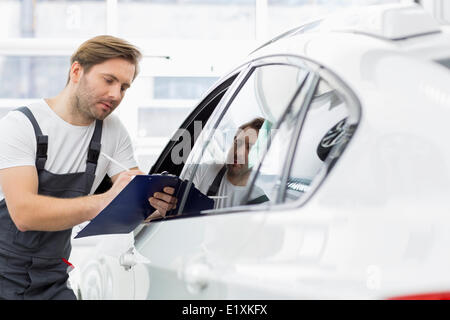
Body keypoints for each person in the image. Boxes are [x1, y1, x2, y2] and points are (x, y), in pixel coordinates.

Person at [0, 35, 176, 300]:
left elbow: (133, 195)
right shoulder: (21, 125)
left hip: (53, 278)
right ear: (76, 71)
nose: (116, 95)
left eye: (124, 87)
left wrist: (152, 206)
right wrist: (105, 201)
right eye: (109, 80)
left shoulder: (112, 131)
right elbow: (24, 215)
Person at [183, 117, 270, 210]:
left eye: (249, 147)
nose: (238, 152)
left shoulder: (261, 205)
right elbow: (176, 201)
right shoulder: (203, 170)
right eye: (237, 142)